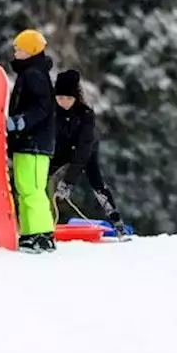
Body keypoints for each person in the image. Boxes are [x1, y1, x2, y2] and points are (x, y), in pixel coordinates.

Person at [51, 69, 128, 239]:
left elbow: (81, 153)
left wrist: (68, 183)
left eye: (68, 98)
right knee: (39, 176)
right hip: (62, 150)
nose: (64, 102)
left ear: (76, 98)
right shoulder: (52, 110)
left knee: (97, 184)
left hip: (86, 150)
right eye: (60, 97)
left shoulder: (85, 115)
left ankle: (118, 224)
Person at [7, 30, 57, 253]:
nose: (15, 51)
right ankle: (29, 233)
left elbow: (42, 108)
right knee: (25, 188)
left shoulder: (35, 74)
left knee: (34, 189)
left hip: (35, 143)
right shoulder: (27, 73)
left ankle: (42, 234)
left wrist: (21, 122)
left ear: (31, 50)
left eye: (19, 48)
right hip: (25, 143)